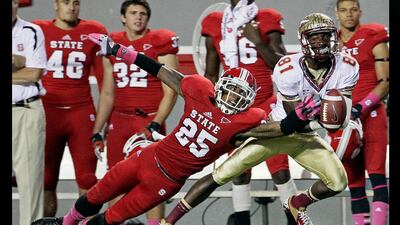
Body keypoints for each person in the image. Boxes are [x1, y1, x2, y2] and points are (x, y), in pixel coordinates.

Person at [31, 32, 319, 225]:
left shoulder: (246, 121)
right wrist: (118, 50)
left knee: (112, 219)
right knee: (95, 195)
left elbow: (277, 129)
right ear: (220, 86)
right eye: (230, 91)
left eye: (238, 95)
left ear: (246, 100)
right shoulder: (199, 89)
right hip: (148, 157)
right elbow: (161, 71)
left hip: (166, 181)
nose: (231, 98)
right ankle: (64, 223)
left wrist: (300, 119)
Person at [160, 12, 360, 225]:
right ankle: (168, 221)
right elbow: (295, 120)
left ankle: (297, 202)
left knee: (338, 182)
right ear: (304, 40)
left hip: (306, 136)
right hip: (277, 131)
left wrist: (339, 120)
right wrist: (328, 120)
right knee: (222, 174)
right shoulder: (289, 69)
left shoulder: (347, 65)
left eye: (324, 35)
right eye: (314, 36)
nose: (320, 41)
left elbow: (341, 109)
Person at [200, 0, 297, 224]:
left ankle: (294, 218)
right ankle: (242, 219)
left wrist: (259, 43)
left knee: (279, 169)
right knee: (238, 169)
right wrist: (210, 110)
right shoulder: (215, 22)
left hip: (266, 103)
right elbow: (211, 72)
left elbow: (283, 66)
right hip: (233, 106)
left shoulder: (266, 17)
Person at [91, 1, 178, 225]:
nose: (138, 17)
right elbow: (108, 94)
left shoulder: (160, 40)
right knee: (115, 181)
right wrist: (97, 131)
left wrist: (156, 124)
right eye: (133, 13)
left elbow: (171, 91)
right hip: (119, 121)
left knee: (153, 181)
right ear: (123, 17)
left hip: (149, 120)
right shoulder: (112, 43)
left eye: (143, 14)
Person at [32, 0, 108, 217]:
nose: (71, 7)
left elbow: (106, 83)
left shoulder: (93, 31)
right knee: (46, 180)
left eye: (75, 3)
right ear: (56, 5)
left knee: (87, 179)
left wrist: (104, 123)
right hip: (48, 111)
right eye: (66, 2)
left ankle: (87, 223)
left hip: (81, 112)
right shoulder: (39, 29)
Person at [335, 0, 390, 224]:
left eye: (353, 10)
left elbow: (385, 82)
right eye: (344, 10)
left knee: (376, 174)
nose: (349, 14)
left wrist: (360, 107)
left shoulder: (372, 35)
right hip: (344, 118)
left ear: (360, 12)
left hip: (371, 113)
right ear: (337, 14)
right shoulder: (330, 42)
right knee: (354, 180)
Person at [12, 0, 47, 224]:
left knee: (29, 184)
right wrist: (17, 62)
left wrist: (23, 64)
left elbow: (34, 74)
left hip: (25, 110)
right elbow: (24, 67)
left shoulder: (31, 31)